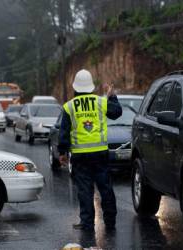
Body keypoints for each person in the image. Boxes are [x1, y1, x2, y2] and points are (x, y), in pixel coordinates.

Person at [58, 69, 122, 231]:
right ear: (91, 87)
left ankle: (87, 223)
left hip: (80, 156)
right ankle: (110, 222)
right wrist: (111, 94)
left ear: (75, 87)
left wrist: (62, 153)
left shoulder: (69, 107)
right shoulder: (100, 102)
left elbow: (64, 132)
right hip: (100, 154)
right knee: (105, 188)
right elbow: (117, 112)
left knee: (85, 190)